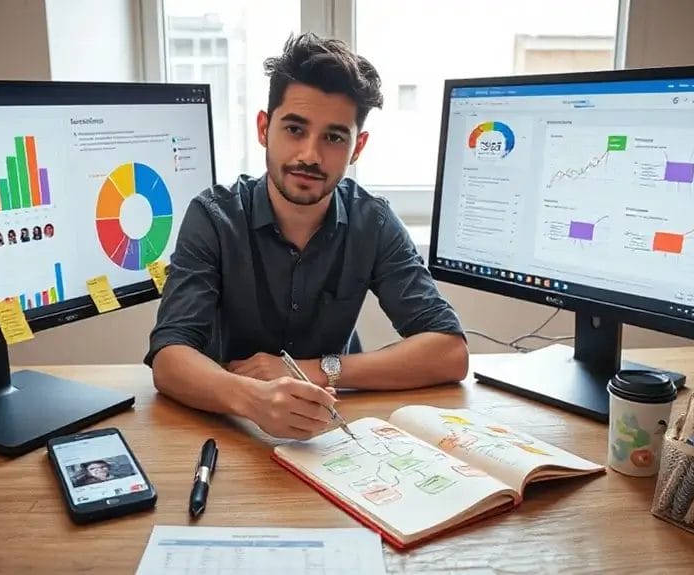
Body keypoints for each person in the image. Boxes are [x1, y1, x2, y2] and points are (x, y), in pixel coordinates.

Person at [145, 33, 468, 441]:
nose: (311, 155)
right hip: (230, 430)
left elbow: (449, 351)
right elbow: (170, 358)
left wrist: (313, 368)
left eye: (334, 137)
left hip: (335, 432)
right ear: (264, 128)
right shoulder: (212, 217)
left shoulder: (375, 222)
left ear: (357, 147)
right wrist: (254, 399)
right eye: (295, 129)